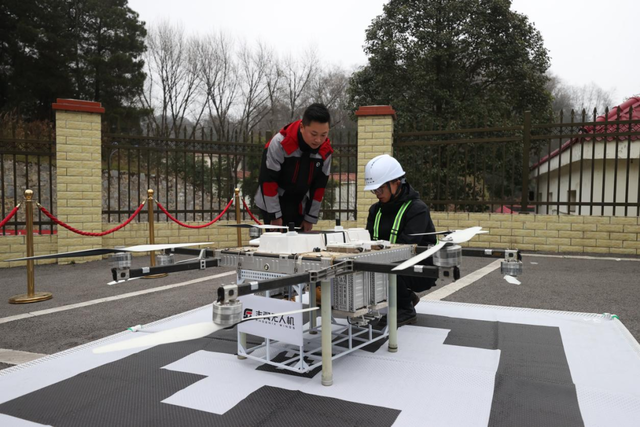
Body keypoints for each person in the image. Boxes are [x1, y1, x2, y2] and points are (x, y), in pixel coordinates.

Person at [364, 154, 437, 326]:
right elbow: (368, 239)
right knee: (363, 266)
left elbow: (408, 248)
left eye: (380, 189)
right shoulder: (375, 210)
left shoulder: (417, 210)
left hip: (419, 268)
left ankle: (406, 310)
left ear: (396, 182)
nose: (377, 194)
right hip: (391, 264)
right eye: (375, 190)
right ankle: (408, 297)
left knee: (380, 267)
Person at [254, 103, 333, 232]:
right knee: (277, 245)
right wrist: (274, 216)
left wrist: (310, 218)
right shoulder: (280, 143)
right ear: (302, 127)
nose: (318, 140)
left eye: (323, 135)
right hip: (274, 201)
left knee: (301, 245)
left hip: (300, 203)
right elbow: (268, 181)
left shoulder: (325, 151)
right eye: (313, 134)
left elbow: (319, 187)